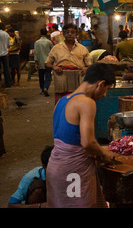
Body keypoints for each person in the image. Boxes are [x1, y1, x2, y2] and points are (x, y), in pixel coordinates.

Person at [46, 63, 116, 208]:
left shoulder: (62, 101)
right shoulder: (86, 103)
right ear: (100, 84)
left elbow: (68, 137)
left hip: (56, 167)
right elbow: (88, 143)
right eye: (106, 90)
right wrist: (104, 154)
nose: (104, 95)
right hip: (72, 173)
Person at [45, 23, 92, 103]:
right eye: (67, 32)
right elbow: (47, 64)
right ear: (63, 33)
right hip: (61, 79)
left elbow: (90, 65)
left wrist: (86, 68)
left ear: (76, 34)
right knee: (62, 105)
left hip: (78, 80)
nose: (70, 34)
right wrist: (54, 67)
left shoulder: (83, 49)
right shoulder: (56, 48)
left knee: (78, 104)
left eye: (72, 32)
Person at [34, 28, 53, 96]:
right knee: (48, 76)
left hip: (40, 62)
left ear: (40, 33)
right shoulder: (49, 42)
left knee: (41, 77)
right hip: (48, 62)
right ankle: (45, 88)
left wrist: (36, 63)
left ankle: (42, 89)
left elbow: (36, 53)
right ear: (47, 33)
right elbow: (52, 52)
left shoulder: (37, 42)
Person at [0, 22, 12, 88]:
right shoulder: (6, 34)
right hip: (5, 54)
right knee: (6, 69)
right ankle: (8, 83)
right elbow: (9, 45)